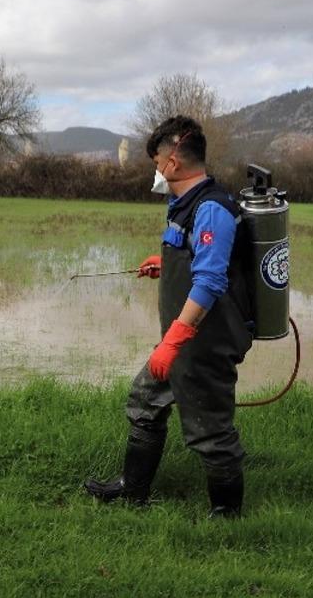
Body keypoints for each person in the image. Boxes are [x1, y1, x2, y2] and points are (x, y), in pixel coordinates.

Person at [84, 115, 253, 518]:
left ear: (174, 162)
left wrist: (173, 343)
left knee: (211, 430)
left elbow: (211, 283)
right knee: (146, 400)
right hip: (183, 339)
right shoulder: (186, 205)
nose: (156, 170)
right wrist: (167, 262)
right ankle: (133, 492)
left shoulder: (212, 208)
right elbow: (204, 261)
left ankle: (227, 517)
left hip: (204, 341)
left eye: (157, 161)